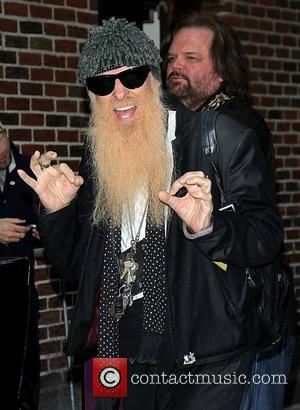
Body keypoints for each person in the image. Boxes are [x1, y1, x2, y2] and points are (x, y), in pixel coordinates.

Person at [18, 17, 284, 410]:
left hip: (206, 349)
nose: (120, 93)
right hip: (120, 342)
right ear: (91, 95)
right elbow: (78, 269)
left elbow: (265, 236)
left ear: (155, 78)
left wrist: (209, 226)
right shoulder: (98, 158)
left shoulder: (220, 136)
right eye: (102, 84)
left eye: (133, 76)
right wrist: (58, 213)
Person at [164, 11, 297, 410]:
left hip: (250, 329)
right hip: (202, 335)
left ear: (221, 72)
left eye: (191, 58)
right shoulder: (175, 128)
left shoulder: (234, 127)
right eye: (171, 58)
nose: (175, 67)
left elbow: (260, 231)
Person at [0, 121, 40, 409]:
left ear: (5, 129)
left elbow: (51, 217)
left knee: (25, 368)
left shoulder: (30, 168)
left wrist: (48, 224)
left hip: (22, 289)